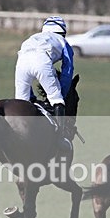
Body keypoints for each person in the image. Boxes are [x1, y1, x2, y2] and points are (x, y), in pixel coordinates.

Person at [14, 16, 75, 145]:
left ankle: (16, 138)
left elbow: (26, 66)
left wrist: (31, 97)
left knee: (20, 104)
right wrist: (61, 95)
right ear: (63, 32)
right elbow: (67, 72)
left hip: (21, 62)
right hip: (41, 60)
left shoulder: (31, 38)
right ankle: (60, 139)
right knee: (57, 99)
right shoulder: (63, 42)